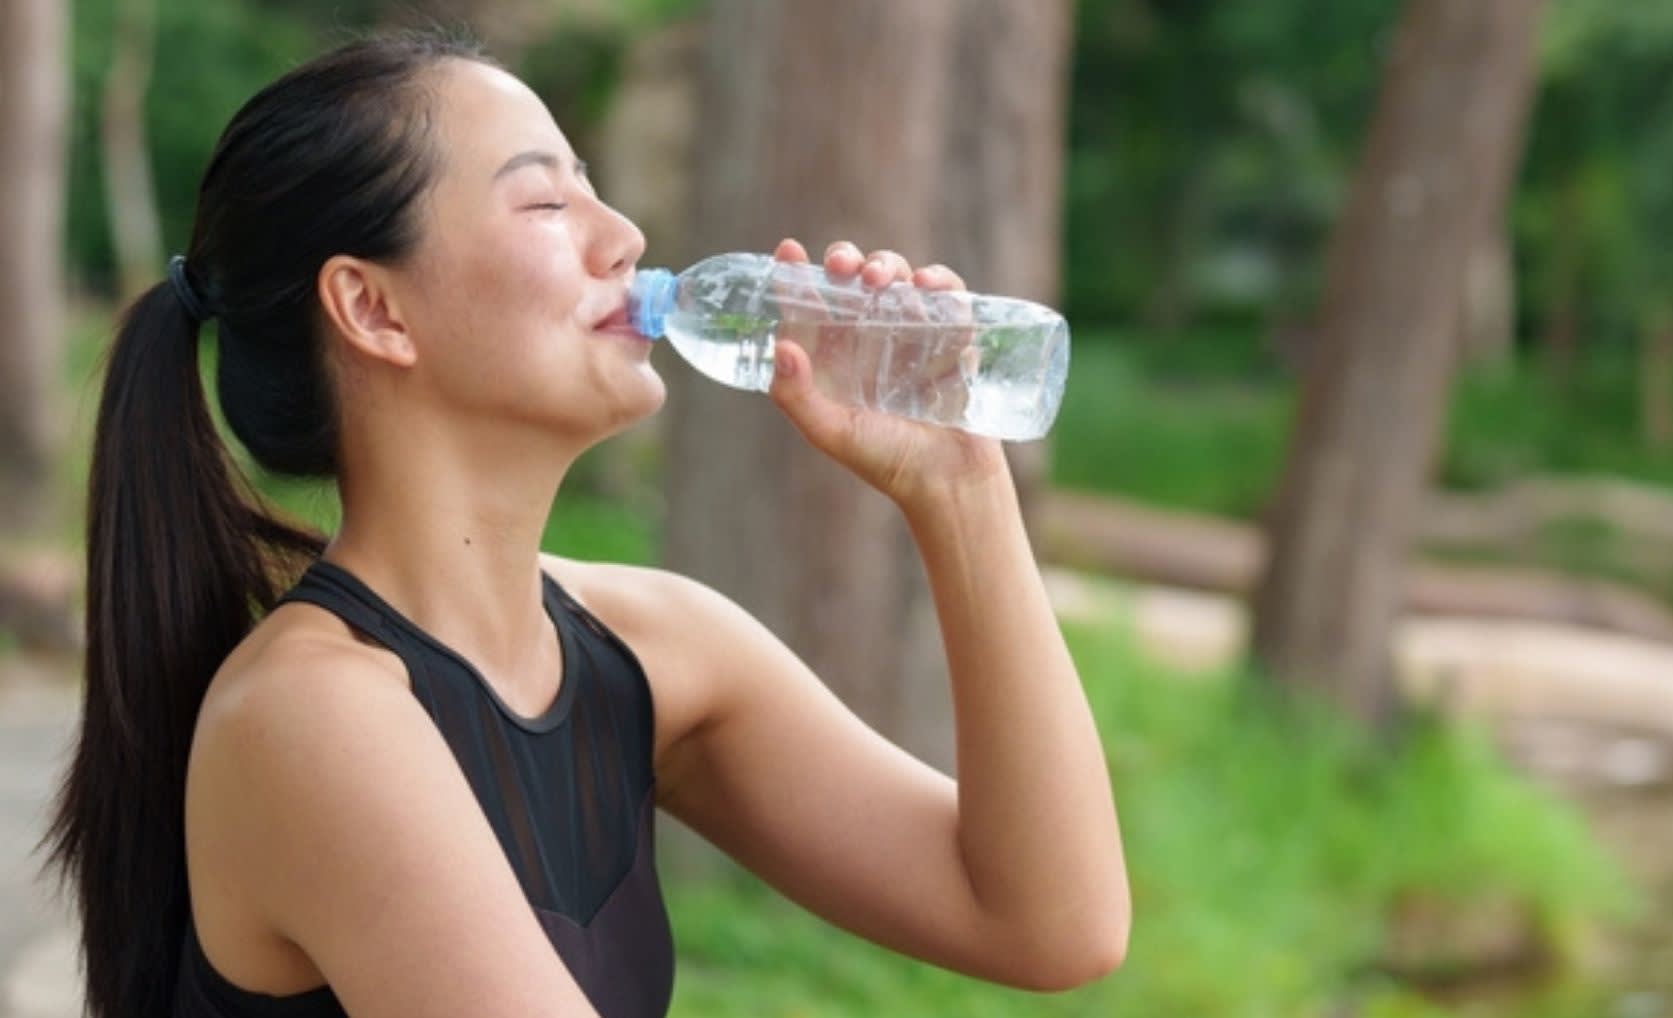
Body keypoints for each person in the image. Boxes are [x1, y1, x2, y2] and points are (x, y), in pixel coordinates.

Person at [41, 30, 1129, 1018]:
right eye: (546, 203)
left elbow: (1051, 920)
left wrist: (960, 488)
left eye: (592, 187)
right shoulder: (311, 719)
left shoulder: (658, 648)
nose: (624, 238)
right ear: (375, 308)